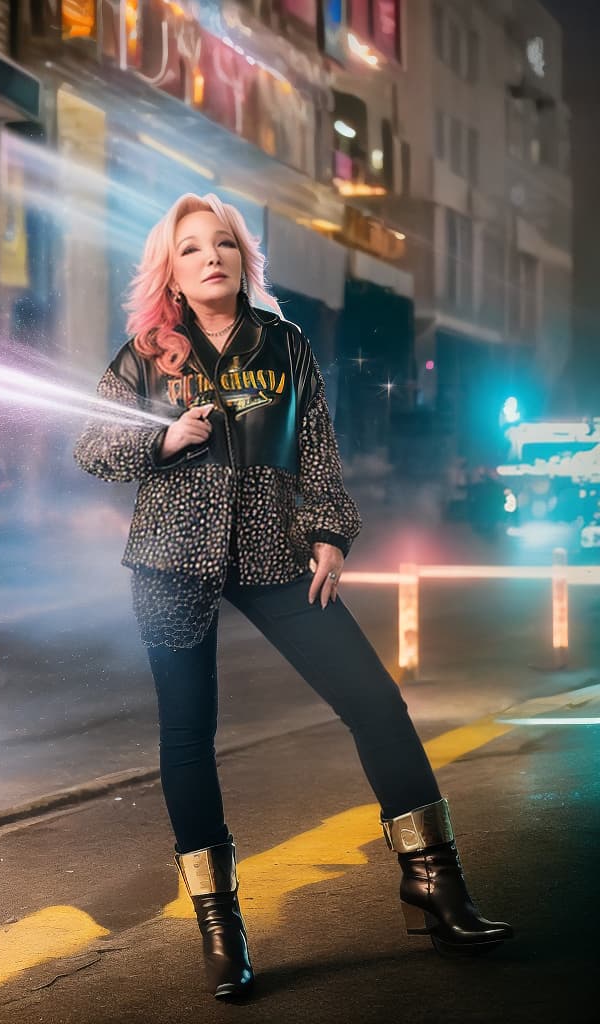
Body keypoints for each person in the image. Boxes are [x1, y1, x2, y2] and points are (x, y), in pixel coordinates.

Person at [74, 194, 512, 999]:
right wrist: (162, 437)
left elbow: (316, 445)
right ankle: (221, 927)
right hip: (171, 559)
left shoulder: (284, 344)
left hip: (276, 554)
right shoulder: (145, 354)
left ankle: (435, 883)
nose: (212, 258)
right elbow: (92, 446)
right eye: (192, 249)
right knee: (187, 739)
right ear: (169, 270)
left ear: (244, 259)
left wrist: (330, 533)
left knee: (376, 703)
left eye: (225, 245)